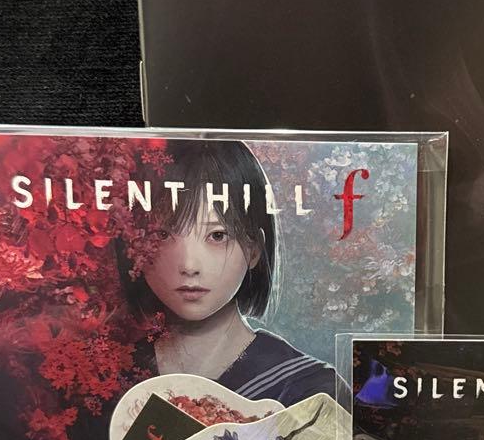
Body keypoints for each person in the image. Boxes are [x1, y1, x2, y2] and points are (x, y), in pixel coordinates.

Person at [120, 139, 340, 406]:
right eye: (163, 235)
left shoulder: (308, 391)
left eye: (217, 235)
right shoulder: (112, 376)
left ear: (254, 250)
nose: (189, 265)